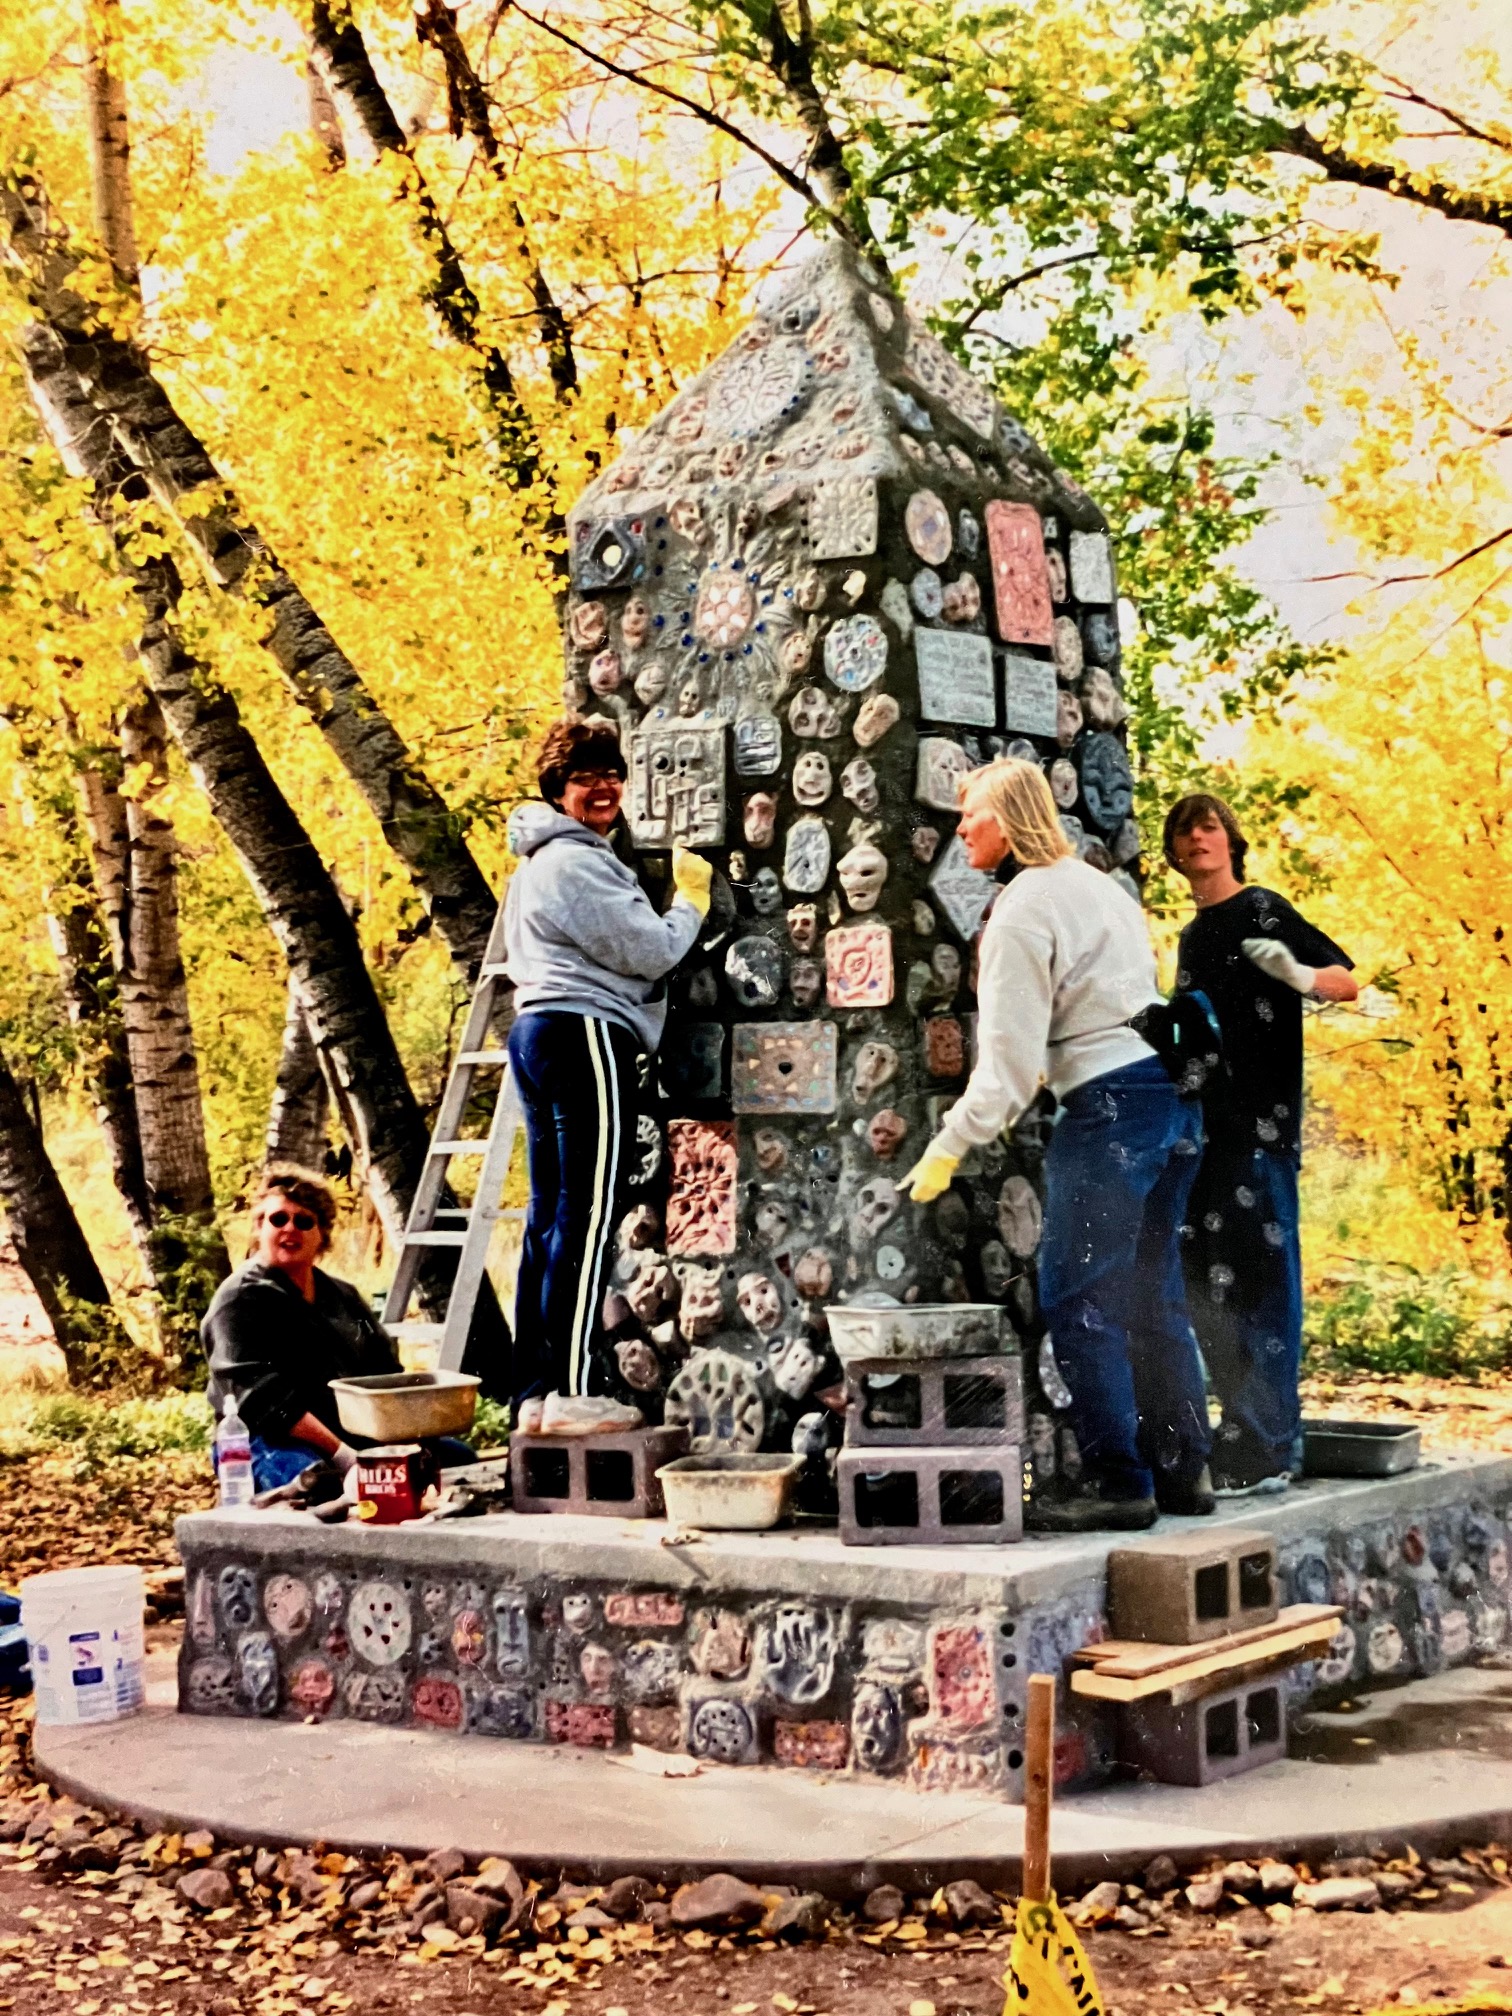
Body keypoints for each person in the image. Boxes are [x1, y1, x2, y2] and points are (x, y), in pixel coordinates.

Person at [900, 757, 1210, 1532]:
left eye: (969, 813)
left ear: (1004, 820)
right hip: (1172, 1098)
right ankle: (1183, 1475)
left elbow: (1006, 1068)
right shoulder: (1100, 887)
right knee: (1153, 1292)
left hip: (1108, 1108)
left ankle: (1119, 1484)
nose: (960, 827)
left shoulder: (1019, 911)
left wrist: (946, 1147)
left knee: (1080, 1297)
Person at [503, 717, 712, 1433]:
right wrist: (692, 904)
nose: (603, 788)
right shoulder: (574, 861)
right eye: (585, 778)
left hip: (537, 1031)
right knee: (589, 1216)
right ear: (558, 790)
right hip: (583, 1031)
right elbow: (650, 950)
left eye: (611, 775)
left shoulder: (540, 861)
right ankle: (567, 1391)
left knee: (549, 1218)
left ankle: (532, 1390)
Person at [1165, 792, 1358, 1496]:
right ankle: (1244, 1435)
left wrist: (1300, 977)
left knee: (1263, 1283)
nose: (1198, 840)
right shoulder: (1192, 935)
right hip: (1204, 1133)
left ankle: (1271, 1446)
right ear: (1175, 854)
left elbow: (1347, 981)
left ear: (1231, 839)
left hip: (1262, 1129)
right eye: (1185, 834)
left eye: (1209, 827)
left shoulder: (1262, 908)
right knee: (1205, 1283)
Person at [202, 1169, 470, 1493]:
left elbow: (384, 1376)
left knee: (459, 1461)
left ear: (322, 1234)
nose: (290, 1228)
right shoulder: (238, 1300)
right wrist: (345, 1458)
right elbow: (264, 1402)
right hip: (267, 1443)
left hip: (353, 1436)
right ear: (259, 1227)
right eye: (277, 1219)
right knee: (322, 1483)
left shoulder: (344, 1297)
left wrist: (405, 1442)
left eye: (303, 1221)